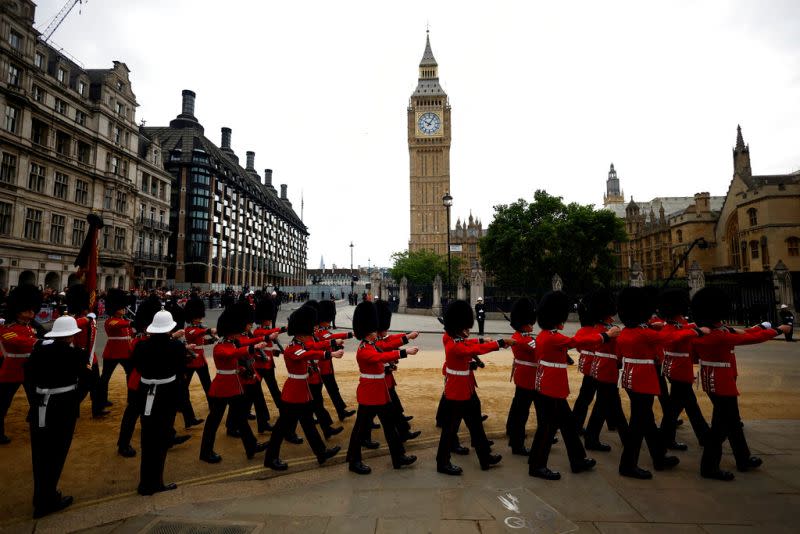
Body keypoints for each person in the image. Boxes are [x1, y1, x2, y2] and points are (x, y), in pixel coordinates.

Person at [691, 287, 790, 481]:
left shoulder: (701, 333)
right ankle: (709, 467)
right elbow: (750, 338)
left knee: (733, 422)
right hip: (722, 383)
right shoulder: (718, 335)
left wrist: (760, 326)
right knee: (719, 428)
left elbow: (742, 332)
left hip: (711, 379)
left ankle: (742, 458)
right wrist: (778, 330)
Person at [616, 286, 704, 480]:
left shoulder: (626, 332)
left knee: (646, 422)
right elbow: (670, 337)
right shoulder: (644, 334)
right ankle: (627, 465)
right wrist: (695, 331)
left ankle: (659, 456)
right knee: (637, 427)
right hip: (643, 382)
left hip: (631, 380)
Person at [528, 291, 614, 480]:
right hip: (550, 390)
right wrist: (605, 336)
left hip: (553, 389)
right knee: (546, 429)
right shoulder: (552, 337)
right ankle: (537, 465)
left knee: (568, 426)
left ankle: (578, 459)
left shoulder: (545, 335)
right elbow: (577, 341)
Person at [437, 300, 513, 476]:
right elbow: (476, 349)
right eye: (464, 327)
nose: (467, 330)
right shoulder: (453, 344)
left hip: (467, 389)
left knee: (476, 425)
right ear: (457, 326)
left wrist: (482, 339)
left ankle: (485, 457)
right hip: (456, 392)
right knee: (449, 430)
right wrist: (500, 343)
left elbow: (470, 343)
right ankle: (442, 462)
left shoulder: (454, 337)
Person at [264, 305, 343, 471]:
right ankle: (270, 458)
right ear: (302, 333)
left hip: (302, 391)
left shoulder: (302, 343)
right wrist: (330, 354)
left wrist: (331, 343)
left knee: (308, 424)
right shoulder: (294, 348)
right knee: (281, 428)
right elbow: (309, 354)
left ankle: (321, 453)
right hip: (293, 392)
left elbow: (313, 347)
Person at [25, 315, 89, 517]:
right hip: (63, 408)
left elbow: (27, 377)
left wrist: (36, 399)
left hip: (39, 406)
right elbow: (88, 381)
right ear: (71, 336)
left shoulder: (38, 353)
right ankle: (48, 498)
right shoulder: (76, 355)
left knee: (39, 454)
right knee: (56, 454)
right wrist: (74, 399)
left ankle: (40, 496)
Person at [346, 301, 419, 474]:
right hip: (370, 394)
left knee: (390, 425)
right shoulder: (363, 349)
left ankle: (399, 457)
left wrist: (392, 360)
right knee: (359, 430)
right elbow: (381, 357)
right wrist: (404, 352)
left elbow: (384, 351)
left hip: (380, 392)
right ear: (366, 332)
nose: (375, 333)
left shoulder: (372, 344)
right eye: (372, 330)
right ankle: (354, 461)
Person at [199, 305, 268, 463]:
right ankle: (205, 451)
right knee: (213, 421)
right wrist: (253, 348)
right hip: (222, 388)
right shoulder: (221, 347)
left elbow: (243, 345)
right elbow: (234, 353)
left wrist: (259, 342)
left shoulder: (232, 342)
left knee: (241, 419)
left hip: (235, 386)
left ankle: (251, 446)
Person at [132, 309, 186, 496]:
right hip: (166, 393)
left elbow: (137, 366)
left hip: (145, 390)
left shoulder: (141, 346)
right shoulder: (176, 347)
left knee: (147, 438)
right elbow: (180, 370)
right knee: (161, 439)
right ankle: (157, 482)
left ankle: (144, 482)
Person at [362, 299, 421, 448]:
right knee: (370, 414)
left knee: (390, 407)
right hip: (376, 384)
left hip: (384, 379)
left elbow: (391, 340)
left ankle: (403, 432)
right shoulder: (371, 343)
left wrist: (407, 335)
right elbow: (387, 348)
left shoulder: (378, 337)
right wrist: (405, 346)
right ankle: (366, 438)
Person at [658, 288, 710, 449]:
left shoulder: (677, 324)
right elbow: (675, 337)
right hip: (678, 370)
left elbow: (686, 327)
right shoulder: (670, 328)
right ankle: (703, 436)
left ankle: (703, 436)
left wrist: (699, 326)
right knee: (679, 407)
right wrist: (697, 331)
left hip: (679, 369)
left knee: (685, 405)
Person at [582, 288, 628, 452]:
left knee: (612, 403)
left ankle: (625, 436)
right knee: (603, 405)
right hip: (606, 369)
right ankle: (592, 438)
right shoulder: (606, 329)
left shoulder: (602, 326)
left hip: (603, 368)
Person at [0, 284, 43, 445]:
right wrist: (38, 342)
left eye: (33, 309)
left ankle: (37, 424)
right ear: (18, 310)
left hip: (30, 370)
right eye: (28, 310)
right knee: (3, 403)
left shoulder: (31, 328)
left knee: (37, 400)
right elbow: (18, 341)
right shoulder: (7, 328)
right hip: (12, 369)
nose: (32, 313)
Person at [505, 297, 539, 456]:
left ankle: (512, 433)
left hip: (521, 376)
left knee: (517, 408)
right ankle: (518, 444)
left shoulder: (518, 336)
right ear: (525, 323)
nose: (533, 325)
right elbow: (539, 351)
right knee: (522, 413)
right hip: (529, 378)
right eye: (531, 323)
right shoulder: (526, 340)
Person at [317, 299, 356, 422]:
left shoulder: (323, 330)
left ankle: (341, 411)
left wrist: (336, 346)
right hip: (319, 367)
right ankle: (319, 415)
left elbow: (331, 340)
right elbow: (332, 338)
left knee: (333, 389)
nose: (329, 322)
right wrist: (350, 334)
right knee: (317, 394)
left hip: (327, 365)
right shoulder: (318, 332)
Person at [98, 289, 133, 415]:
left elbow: (130, 332)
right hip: (112, 352)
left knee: (130, 375)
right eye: (121, 307)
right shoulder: (111, 320)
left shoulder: (123, 319)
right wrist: (132, 322)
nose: (123, 309)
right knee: (105, 378)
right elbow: (119, 325)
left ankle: (132, 398)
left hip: (125, 352)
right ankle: (100, 402)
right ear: (114, 308)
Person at [181, 295, 214, 426]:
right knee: (183, 388)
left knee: (208, 385)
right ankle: (184, 412)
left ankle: (213, 405)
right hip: (190, 361)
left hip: (201, 361)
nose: (200, 319)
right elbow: (196, 334)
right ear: (192, 317)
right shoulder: (189, 329)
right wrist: (208, 330)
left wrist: (211, 340)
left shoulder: (197, 328)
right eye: (197, 317)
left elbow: (201, 341)